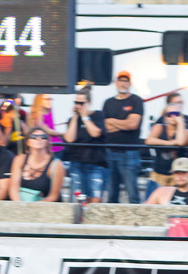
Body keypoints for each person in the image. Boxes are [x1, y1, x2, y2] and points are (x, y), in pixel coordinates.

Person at [99, 71, 147, 202]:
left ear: (130, 83)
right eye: (121, 80)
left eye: (126, 81)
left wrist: (112, 121)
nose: (123, 84)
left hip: (130, 152)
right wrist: (123, 123)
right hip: (110, 151)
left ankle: (135, 219)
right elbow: (105, 126)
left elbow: (133, 125)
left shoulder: (136, 101)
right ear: (116, 82)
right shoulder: (108, 102)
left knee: (132, 191)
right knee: (111, 191)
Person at [61, 89, 108, 201]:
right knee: (77, 199)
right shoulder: (72, 120)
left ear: (89, 103)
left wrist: (85, 116)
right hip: (77, 164)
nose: (78, 105)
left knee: (95, 199)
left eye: (81, 103)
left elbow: (95, 133)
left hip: (95, 164)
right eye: (76, 103)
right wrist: (75, 117)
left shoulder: (98, 115)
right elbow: (69, 138)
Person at [1, 129, 64, 202]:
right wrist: (20, 205)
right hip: (21, 206)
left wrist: (31, 208)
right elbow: (13, 188)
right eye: (34, 137)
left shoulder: (56, 164)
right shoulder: (19, 159)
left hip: (44, 207)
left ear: (47, 142)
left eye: (43, 137)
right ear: (28, 142)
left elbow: (53, 196)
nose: (39, 139)